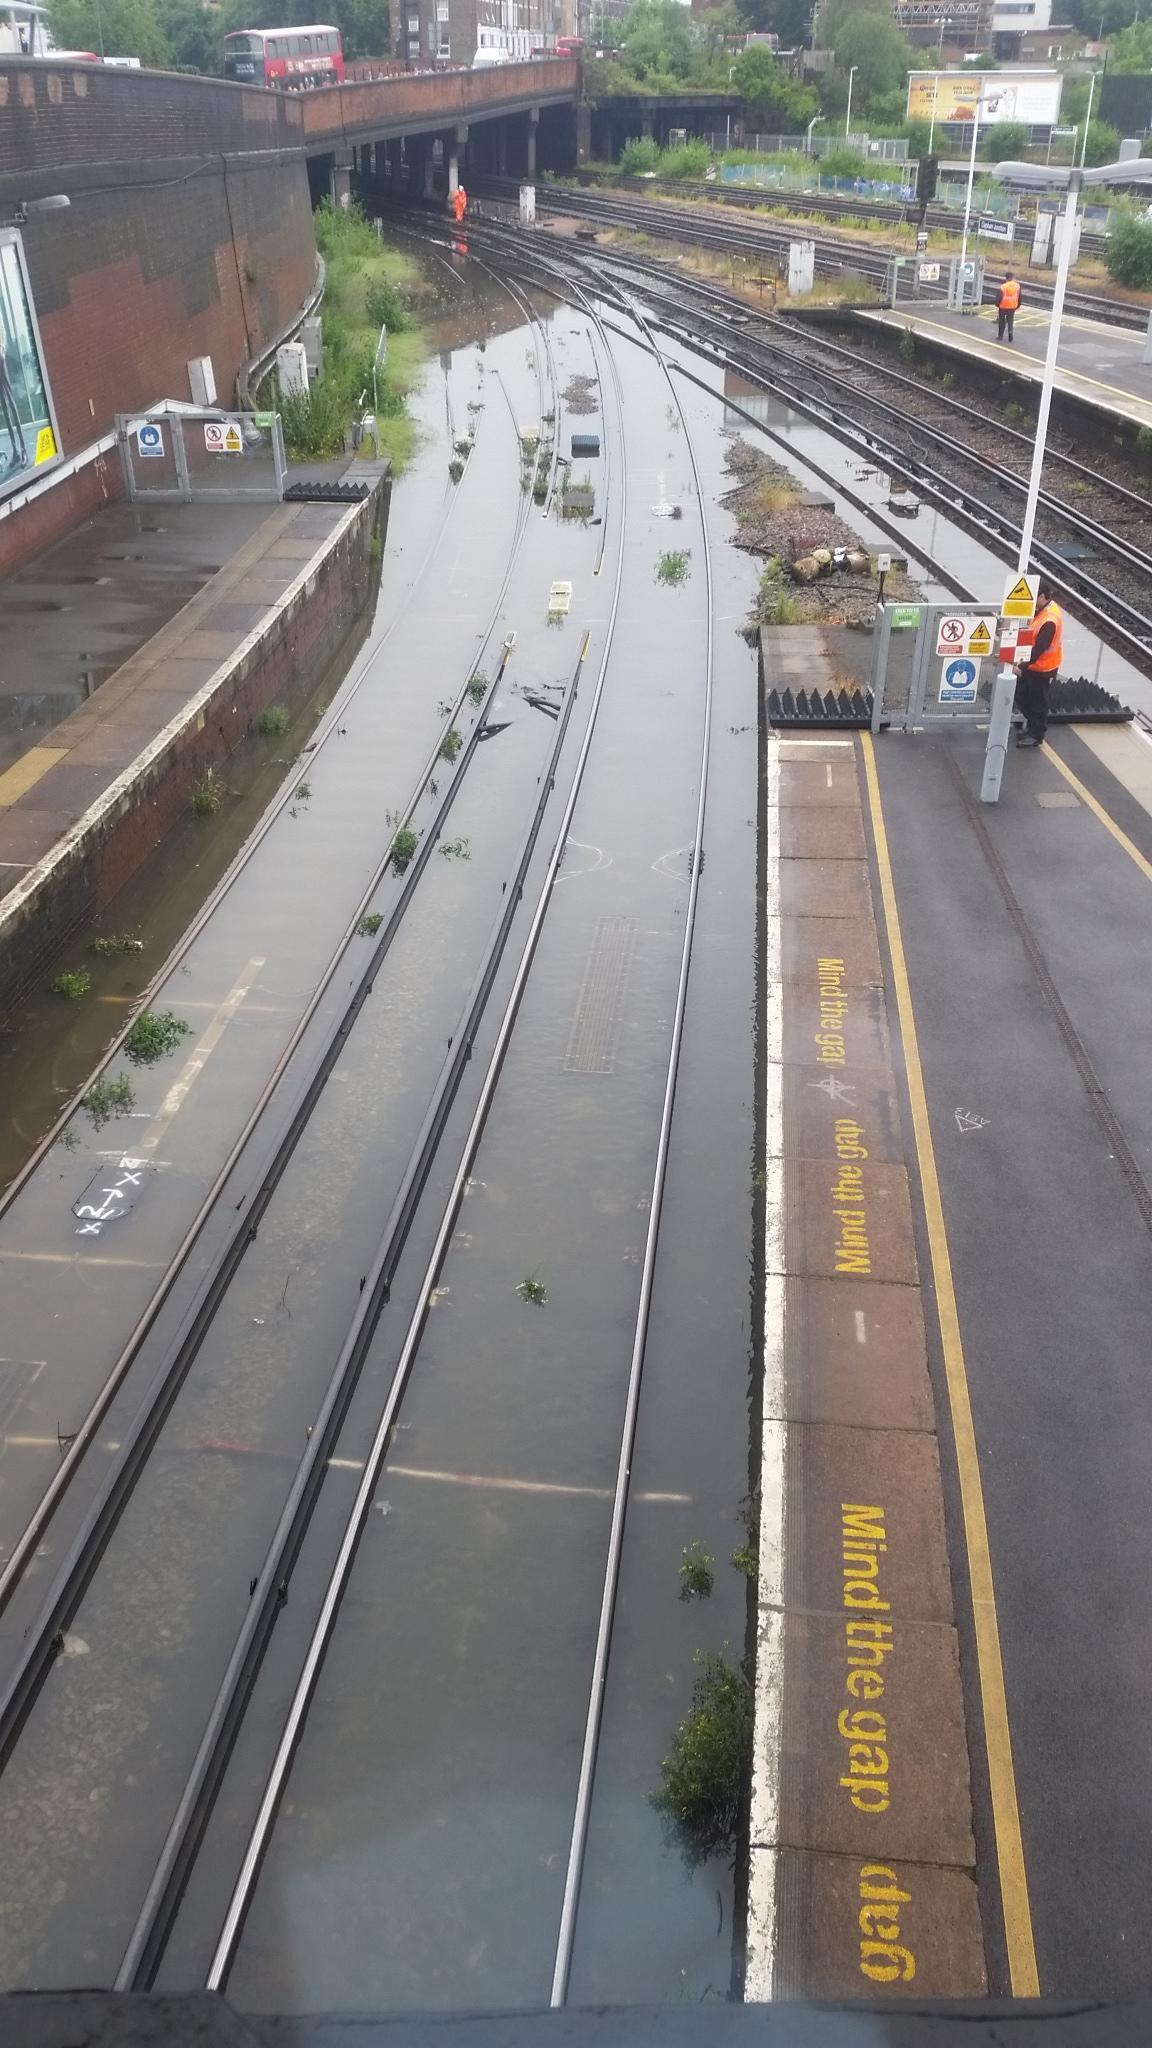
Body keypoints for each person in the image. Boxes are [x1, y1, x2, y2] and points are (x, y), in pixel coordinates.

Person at [1013, 580, 1063, 747]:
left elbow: (1039, 649)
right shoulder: (1046, 610)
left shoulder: (1049, 620)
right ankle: (1033, 729)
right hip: (1036, 666)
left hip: (1041, 668)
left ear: (1042, 596)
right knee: (1023, 696)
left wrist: (1021, 666)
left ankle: (1036, 735)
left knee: (1037, 702)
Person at [997, 270, 1020, 344]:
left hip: (1003, 306)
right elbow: (1020, 297)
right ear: (1012, 278)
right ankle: (1010, 333)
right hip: (1012, 306)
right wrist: (1018, 305)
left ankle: (1000, 336)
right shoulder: (1017, 286)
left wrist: (997, 304)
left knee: (1002, 321)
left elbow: (999, 297)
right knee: (1010, 321)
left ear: (1006, 278)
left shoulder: (1003, 286)